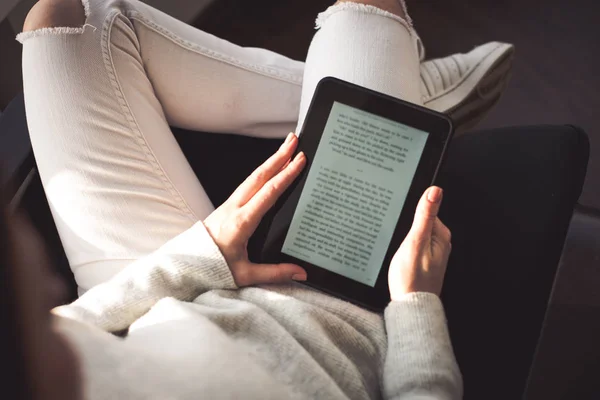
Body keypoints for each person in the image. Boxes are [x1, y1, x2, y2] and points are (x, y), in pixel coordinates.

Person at [9, 0, 516, 398]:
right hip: (323, 314)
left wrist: (200, 257)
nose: (53, 281)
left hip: (146, 298)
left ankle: (406, 104)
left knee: (66, 26)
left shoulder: (27, 357)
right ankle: (403, 106)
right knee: (366, 14)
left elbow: (66, 325)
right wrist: (414, 304)